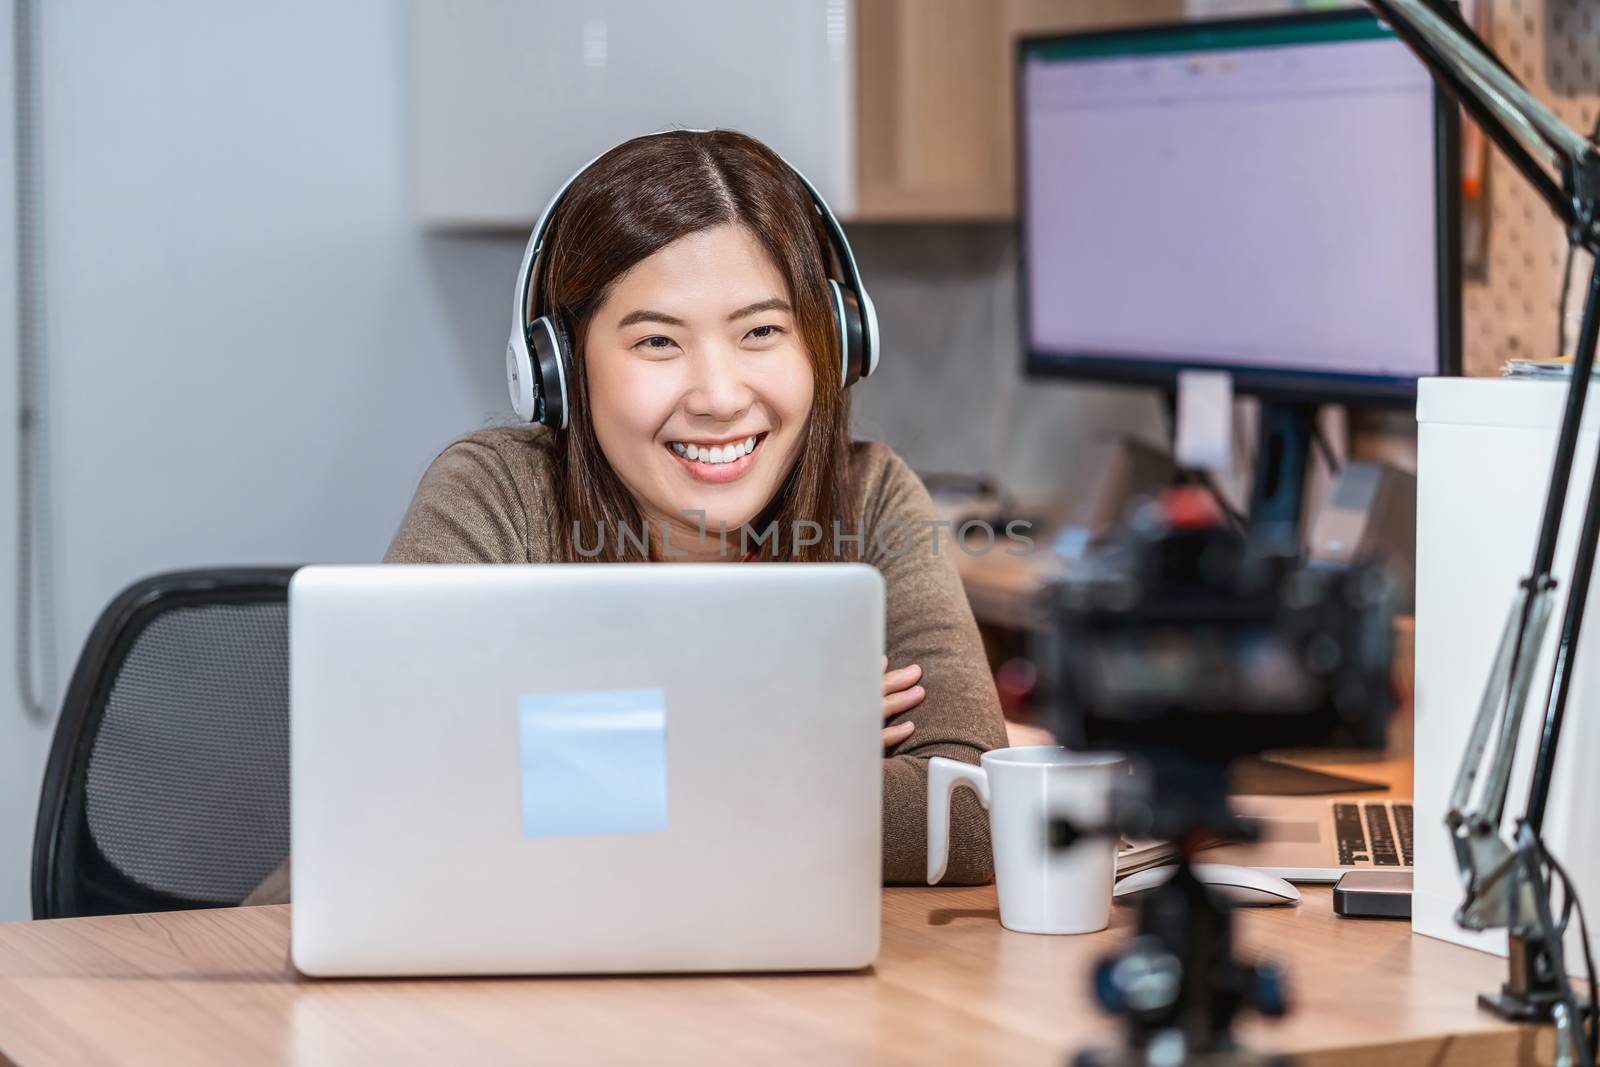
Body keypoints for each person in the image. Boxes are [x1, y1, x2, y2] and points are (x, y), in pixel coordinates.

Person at [245, 129, 1005, 906]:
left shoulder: (869, 498)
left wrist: (570, 757)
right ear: (563, 370)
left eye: (762, 332)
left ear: (832, 346)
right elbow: (399, 802)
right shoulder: (495, 496)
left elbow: (962, 817)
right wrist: (759, 728)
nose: (718, 394)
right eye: (657, 340)